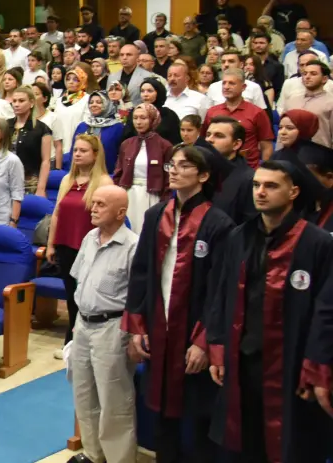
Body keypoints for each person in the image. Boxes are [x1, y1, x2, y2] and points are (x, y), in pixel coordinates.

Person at [206, 160, 333, 463]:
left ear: (294, 192)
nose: (260, 192)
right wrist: (217, 345)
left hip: (291, 365)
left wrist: (316, 364)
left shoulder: (317, 243)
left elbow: (325, 310)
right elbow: (221, 293)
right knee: (244, 443)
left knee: (291, 446)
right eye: (256, 185)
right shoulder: (239, 236)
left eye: (271, 186)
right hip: (243, 360)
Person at [124, 144, 234, 463]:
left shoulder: (218, 223)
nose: (173, 170)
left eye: (184, 166)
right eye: (172, 164)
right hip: (160, 327)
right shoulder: (156, 215)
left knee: (198, 416)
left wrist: (204, 341)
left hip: (193, 331)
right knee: (161, 413)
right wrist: (136, 327)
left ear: (204, 175)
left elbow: (221, 289)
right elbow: (141, 273)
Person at [67, 184, 140, 463]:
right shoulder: (89, 237)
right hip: (83, 324)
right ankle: (93, 455)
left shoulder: (132, 246)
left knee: (114, 401)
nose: (93, 209)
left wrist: (133, 335)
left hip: (112, 327)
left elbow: (139, 297)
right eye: (93, 203)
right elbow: (80, 280)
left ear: (121, 213)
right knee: (84, 395)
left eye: (101, 205)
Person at [47, 135, 114, 357]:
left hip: (90, 248)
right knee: (71, 297)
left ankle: (81, 344)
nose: (77, 154)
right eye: (75, 150)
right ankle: (71, 343)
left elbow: (108, 219)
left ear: (95, 154)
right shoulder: (67, 180)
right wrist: (50, 244)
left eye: (83, 151)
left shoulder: (104, 182)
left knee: (86, 298)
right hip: (65, 245)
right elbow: (57, 213)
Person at [113, 103, 173, 236]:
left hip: (152, 196)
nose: (138, 122)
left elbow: (168, 178)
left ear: (153, 119)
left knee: (147, 232)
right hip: (129, 194)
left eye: (143, 118)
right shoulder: (126, 144)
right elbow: (118, 172)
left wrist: (164, 202)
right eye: (135, 118)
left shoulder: (165, 146)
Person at [203, 70, 274, 169]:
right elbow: (204, 142)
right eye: (224, 83)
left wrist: (264, 171)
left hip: (249, 169)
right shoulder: (212, 112)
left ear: (243, 87)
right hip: (216, 168)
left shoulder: (257, 113)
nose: (226, 87)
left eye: (231, 83)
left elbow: (266, 147)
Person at [7, 86, 52, 195]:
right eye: (14, 101)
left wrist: (41, 188)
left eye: (21, 101)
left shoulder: (42, 129)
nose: (16, 104)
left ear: (31, 103)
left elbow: (46, 161)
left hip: (30, 182)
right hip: (5, 180)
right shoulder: (6, 125)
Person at [68, 91, 124, 173]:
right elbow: (73, 152)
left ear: (107, 104)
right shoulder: (82, 126)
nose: (94, 105)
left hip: (107, 173)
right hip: (81, 173)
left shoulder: (117, 127)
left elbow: (121, 154)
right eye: (91, 102)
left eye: (99, 102)